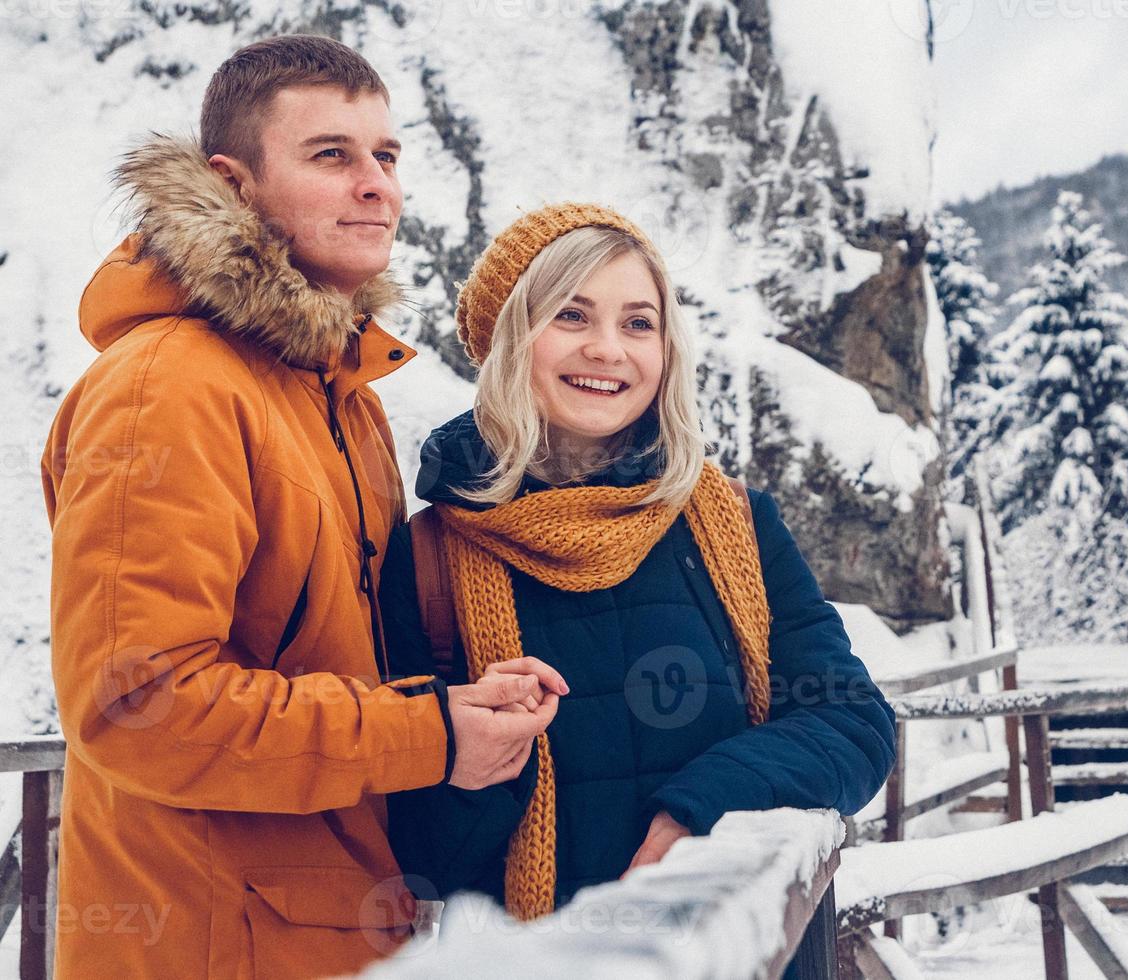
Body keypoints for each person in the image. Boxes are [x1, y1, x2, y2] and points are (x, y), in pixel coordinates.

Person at [41, 35, 558, 978]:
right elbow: (136, 705)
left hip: (322, 931)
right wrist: (430, 735)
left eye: (387, 156)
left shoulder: (341, 396)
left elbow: (333, 656)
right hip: (205, 945)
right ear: (233, 186)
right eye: (333, 155)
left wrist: (465, 691)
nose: (377, 186)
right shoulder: (171, 385)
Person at [381, 203, 898, 922]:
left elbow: (854, 723)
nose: (607, 348)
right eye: (570, 315)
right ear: (510, 341)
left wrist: (700, 808)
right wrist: (479, 760)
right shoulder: (429, 557)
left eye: (637, 322)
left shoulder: (739, 526)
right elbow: (418, 852)